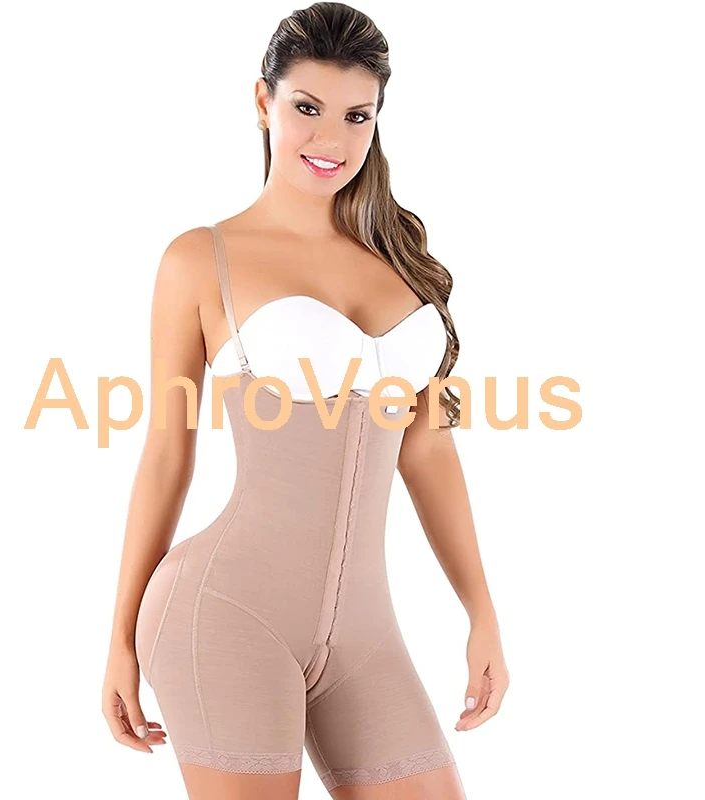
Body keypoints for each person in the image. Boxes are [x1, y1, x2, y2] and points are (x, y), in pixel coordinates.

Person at [102, 3, 508, 798]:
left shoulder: (403, 260)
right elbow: (166, 454)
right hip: (224, 613)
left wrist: (481, 611)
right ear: (263, 102)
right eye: (307, 108)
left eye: (358, 115)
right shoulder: (202, 259)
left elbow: (427, 449)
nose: (332, 140)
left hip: (367, 634)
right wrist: (119, 640)